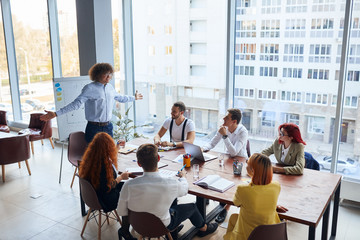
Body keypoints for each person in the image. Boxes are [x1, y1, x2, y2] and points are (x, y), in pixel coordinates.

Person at [117, 144, 218, 239]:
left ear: (139, 163)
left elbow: (121, 210)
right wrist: (183, 177)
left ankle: (174, 232)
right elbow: (184, 190)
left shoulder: (128, 185)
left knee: (169, 202)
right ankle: (204, 228)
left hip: (139, 225)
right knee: (191, 207)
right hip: (162, 227)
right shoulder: (170, 183)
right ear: (159, 159)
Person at [40, 63, 143, 143]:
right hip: (94, 128)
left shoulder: (110, 88)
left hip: (108, 127)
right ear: (97, 75)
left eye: (110, 73)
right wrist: (56, 113)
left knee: (109, 154)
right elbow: (76, 104)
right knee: (94, 157)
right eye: (106, 74)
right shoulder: (90, 88)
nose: (109, 76)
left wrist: (134, 98)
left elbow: (120, 98)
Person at [223, 153, 288, 240]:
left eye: (247, 164)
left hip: (248, 235)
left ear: (252, 170)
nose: (246, 166)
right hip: (270, 233)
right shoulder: (276, 186)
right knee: (234, 218)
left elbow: (236, 202)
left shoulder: (243, 189)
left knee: (233, 218)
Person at [202, 108, 248, 223]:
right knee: (209, 171)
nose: (223, 118)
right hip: (227, 159)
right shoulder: (224, 128)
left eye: (227, 117)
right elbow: (212, 143)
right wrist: (203, 148)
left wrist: (225, 136)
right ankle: (204, 198)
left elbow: (234, 152)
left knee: (233, 183)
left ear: (234, 121)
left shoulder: (243, 131)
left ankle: (226, 209)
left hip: (239, 161)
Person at [78, 132, 130, 213]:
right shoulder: (104, 167)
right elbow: (109, 186)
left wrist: (117, 148)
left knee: (126, 185)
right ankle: (125, 224)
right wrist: (121, 177)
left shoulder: (91, 158)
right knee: (129, 190)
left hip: (93, 195)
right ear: (109, 148)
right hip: (104, 201)